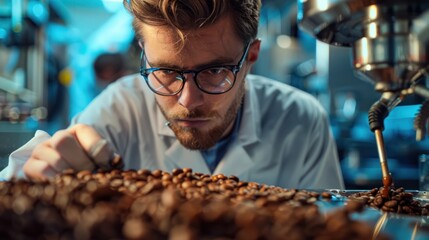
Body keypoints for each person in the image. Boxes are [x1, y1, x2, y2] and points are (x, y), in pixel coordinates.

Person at [0, 0, 344, 189]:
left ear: (250, 57)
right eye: (166, 72)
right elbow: (29, 182)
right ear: (145, 56)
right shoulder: (119, 109)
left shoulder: (301, 119)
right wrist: (36, 175)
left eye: (214, 71)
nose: (188, 101)